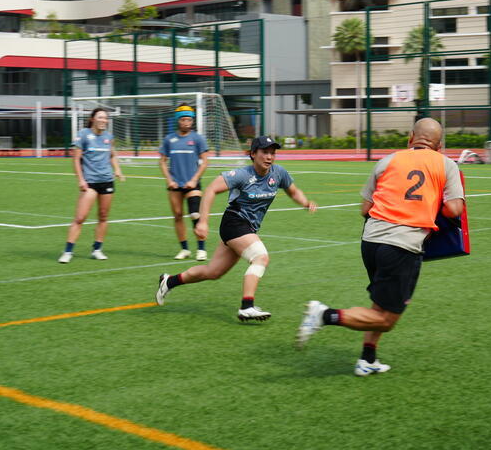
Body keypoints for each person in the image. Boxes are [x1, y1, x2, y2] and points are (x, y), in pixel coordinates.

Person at [295, 118, 465, 376]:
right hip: (402, 246)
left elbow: (365, 208)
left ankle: (368, 358)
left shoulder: (388, 161)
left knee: (380, 304)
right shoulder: (446, 164)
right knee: (387, 319)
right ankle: (325, 315)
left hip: (371, 242)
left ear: (410, 138)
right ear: (439, 145)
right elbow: (454, 209)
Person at [155, 135, 317, 322]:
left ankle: (169, 281)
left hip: (246, 228)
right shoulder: (242, 175)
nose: (269, 157)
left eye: (273, 153)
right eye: (265, 152)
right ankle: (247, 306)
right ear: (253, 154)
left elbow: (293, 191)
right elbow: (211, 189)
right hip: (234, 223)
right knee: (260, 257)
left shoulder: (278, 173)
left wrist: (305, 202)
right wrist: (203, 222)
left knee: (213, 272)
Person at [58, 107, 125, 263]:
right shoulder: (83, 134)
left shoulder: (108, 137)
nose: (103, 120)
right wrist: (81, 180)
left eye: (105, 118)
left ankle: (97, 249)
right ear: (93, 119)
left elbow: (112, 155)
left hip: (107, 180)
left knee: (103, 216)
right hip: (90, 183)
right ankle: (68, 251)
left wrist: (117, 170)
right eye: (100, 117)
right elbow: (76, 159)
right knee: (80, 218)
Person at [159, 104, 210, 261]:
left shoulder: (197, 138)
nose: (186, 122)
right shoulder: (169, 139)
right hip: (175, 184)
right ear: (178, 120)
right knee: (178, 215)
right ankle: (185, 249)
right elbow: (162, 161)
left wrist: (194, 179)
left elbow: (205, 161)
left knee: (195, 214)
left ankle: (201, 249)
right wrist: (169, 180)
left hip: (192, 184)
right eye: (183, 120)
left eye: (189, 120)